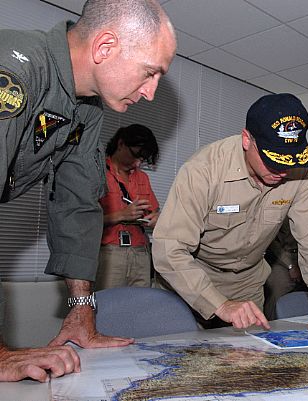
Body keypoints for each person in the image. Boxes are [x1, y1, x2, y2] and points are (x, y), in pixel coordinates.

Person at [0, 0, 176, 382]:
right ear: (105, 47)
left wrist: (82, 308)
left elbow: (77, 205)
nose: (150, 93)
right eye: (150, 73)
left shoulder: (89, 111)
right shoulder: (16, 68)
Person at [152, 93, 308, 337]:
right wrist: (220, 304)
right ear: (247, 140)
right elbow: (168, 249)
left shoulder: (301, 173)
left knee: (250, 363)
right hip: (193, 278)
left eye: (291, 161)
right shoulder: (204, 170)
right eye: (273, 161)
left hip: (248, 281)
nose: (283, 171)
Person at [95, 124, 160, 290]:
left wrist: (156, 219)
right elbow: (82, 221)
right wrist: (122, 215)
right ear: (121, 144)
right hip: (109, 252)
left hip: (141, 251)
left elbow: (154, 212)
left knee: (140, 307)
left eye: (143, 159)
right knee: (108, 308)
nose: (137, 163)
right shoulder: (97, 172)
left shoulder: (142, 177)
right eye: (135, 155)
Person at [263, 217, 306, 320]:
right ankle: (271, 321)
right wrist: (290, 266)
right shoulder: (279, 211)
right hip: (282, 258)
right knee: (279, 286)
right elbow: (274, 245)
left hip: (304, 256)